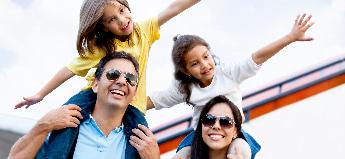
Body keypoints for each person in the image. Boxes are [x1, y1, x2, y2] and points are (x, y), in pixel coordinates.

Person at [148, 13, 314, 159]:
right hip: (201, 133)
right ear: (186, 71)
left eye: (206, 57)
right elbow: (157, 99)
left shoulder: (227, 73)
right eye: (195, 63)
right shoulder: (184, 87)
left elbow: (256, 58)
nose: (205, 65)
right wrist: (125, 100)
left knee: (240, 151)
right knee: (182, 155)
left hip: (232, 132)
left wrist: (290, 37)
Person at [15, 0, 201, 115]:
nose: (121, 20)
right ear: (104, 27)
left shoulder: (143, 30)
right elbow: (69, 70)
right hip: (93, 95)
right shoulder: (102, 47)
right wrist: (40, 94)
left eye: (121, 11)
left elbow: (174, 8)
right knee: (63, 120)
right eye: (111, 20)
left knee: (141, 137)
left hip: (132, 101)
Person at [9, 52, 160, 159]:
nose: (121, 81)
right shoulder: (62, 129)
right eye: (113, 74)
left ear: (134, 94)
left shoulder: (141, 144)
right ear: (95, 84)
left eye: (130, 78)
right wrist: (43, 125)